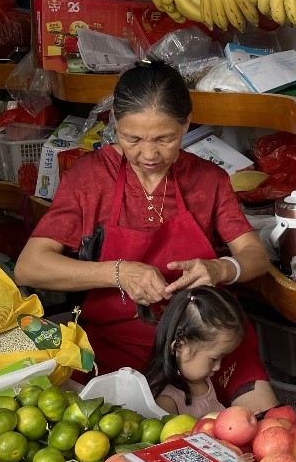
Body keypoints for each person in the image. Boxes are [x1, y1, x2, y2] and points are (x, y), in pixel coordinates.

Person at [16, 61, 278, 413]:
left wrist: (221, 269)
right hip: (122, 342)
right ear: (115, 125)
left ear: (186, 124)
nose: (149, 154)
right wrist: (119, 273)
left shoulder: (207, 179)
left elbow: (255, 256)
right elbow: (30, 267)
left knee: (268, 425)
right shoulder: (91, 178)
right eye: (133, 139)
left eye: (164, 139)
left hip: (210, 339)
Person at [146, 287, 246, 417]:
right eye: (214, 359)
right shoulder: (166, 401)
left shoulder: (200, 377)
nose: (218, 367)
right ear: (180, 347)